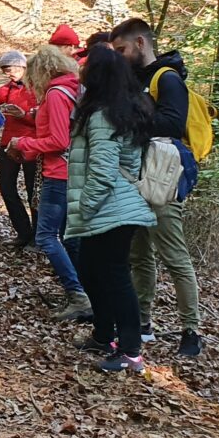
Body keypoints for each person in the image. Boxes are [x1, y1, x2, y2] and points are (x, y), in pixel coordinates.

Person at [111, 17, 204, 359]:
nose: (119, 56)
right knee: (138, 255)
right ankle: (143, 322)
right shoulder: (135, 81)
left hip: (163, 177)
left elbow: (172, 124)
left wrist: (128, 122)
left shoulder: (168, 79)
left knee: (173, 254)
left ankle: (191, 331)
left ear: (140, 44)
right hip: (137, 176)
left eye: (122, 49)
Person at [66, 45, 158, 373]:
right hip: (115, 207)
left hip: (111, 209)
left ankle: (131, 352)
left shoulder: (104, 115)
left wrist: (85, 208)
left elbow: (103, 171)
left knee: (115, 275)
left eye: (87, 67)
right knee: (91, 270)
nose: (81, 71)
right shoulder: (121, 109)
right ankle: (104, 335)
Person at [8, 46, 90, 322]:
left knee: (46, 236)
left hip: (59, 173)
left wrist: (23, 143)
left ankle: (77, 294)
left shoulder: (56, 94)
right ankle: (86, 292)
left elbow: (58, 141)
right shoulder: (72, 87)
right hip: (75, 171)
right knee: (70, 237)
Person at [0, 49, 39, 248]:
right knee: (6, 188)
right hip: (8, 145)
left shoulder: (38, 88)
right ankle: (23, 232)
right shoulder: (8, 89)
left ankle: (37, 236)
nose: (8, 74)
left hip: (32, 145)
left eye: (10, 69)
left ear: (22, 66)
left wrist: (23, 115)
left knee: (32, 192)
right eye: (5, 71)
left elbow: (44, 119)